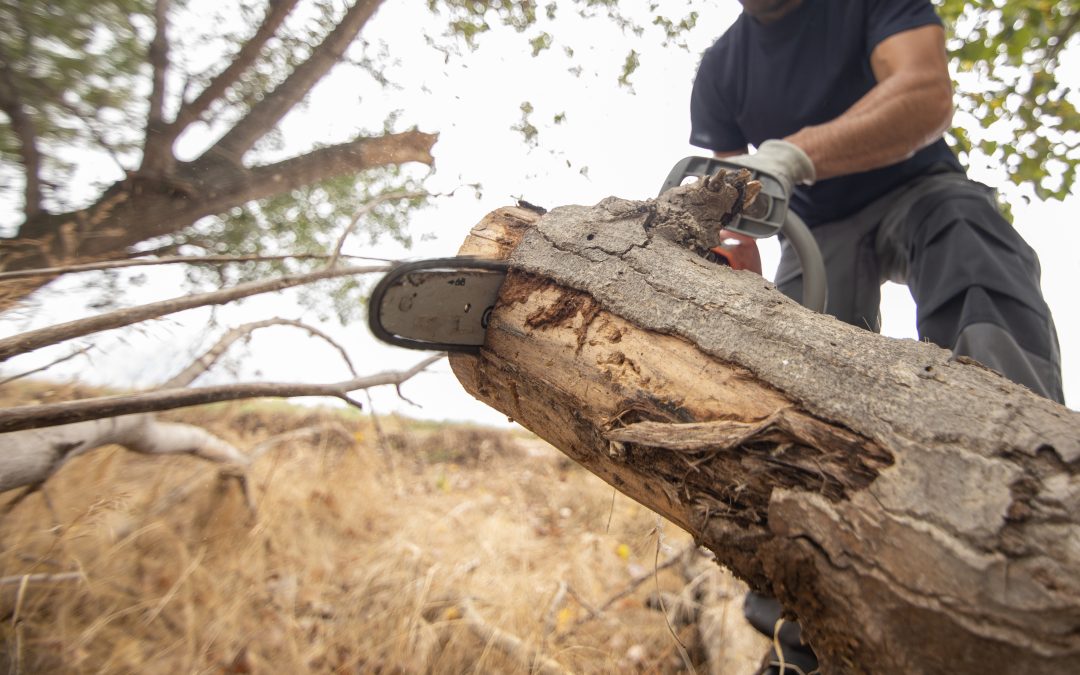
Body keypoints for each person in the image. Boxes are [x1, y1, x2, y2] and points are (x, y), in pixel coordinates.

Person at [688, 1, 1064, 672]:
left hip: (917, 185)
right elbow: (730, 201)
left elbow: (924, 91)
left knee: (968, 237)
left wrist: (800, 151)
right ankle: (803, 631)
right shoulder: (720, 69)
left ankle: (1032, 484)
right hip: (816, 230)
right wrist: (727, 260)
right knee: (790, 372)